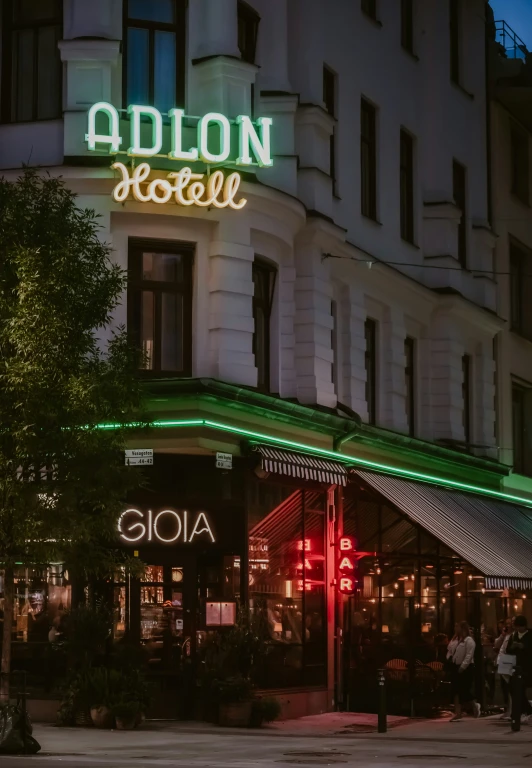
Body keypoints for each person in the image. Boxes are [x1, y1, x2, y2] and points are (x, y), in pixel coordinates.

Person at [447, 621, 481, 722]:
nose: (455, 629)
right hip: (455, 666)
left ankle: (474, 705)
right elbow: (449, 650)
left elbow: (469, 655)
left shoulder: (469, 640)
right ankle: (458, 712)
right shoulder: (455, 639)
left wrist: (463, 666)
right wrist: (449, 657)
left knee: (464, 690)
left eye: (457, 627)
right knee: (456, 690)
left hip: (466, 668)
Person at [506, 615, 532, 722]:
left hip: (528, 667)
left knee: (521, 687)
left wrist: (523, 647)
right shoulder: (514, 636)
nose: (518, 629)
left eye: (520, 627)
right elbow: (508, 650)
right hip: (515, 667)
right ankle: (524, 710)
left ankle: (524, 711)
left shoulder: (530, 635)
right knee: (513, 688)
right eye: (517, 627)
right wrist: (513, 647)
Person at [494, 619, 512, 720]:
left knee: (509, 686)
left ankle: (511, 709)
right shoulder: (505, 636)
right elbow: (496, 645)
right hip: (502, 661)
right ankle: (507, 709)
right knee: (504, 686)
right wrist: (502, 635)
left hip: (509, 660)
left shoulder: (514, 636)